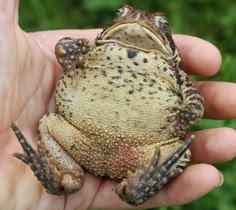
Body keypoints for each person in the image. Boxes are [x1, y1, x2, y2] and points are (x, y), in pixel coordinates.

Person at [0, 0, 236, 209]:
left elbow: (194, 109)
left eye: (161, 23)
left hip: (144, 149)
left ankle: (133, 190)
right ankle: (67, 179)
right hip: (76, 137)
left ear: (169, 41)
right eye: (121, 13)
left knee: (177, 152)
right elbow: (65, 50)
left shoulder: (174, 71)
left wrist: (184, 117)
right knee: (49, 126)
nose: (137, 21)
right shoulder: (95, 51)